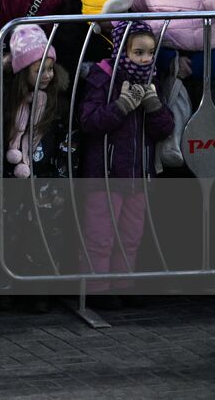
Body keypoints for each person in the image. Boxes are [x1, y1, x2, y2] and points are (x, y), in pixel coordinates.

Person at [78, 21, 173, 299]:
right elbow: (88, 121)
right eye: (138, 53)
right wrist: (120, 107)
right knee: (100, 235)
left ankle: (123, 285)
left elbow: (164, 129)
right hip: (105, 173)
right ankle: (97, 289)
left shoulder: (152, 79)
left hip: (137, 173)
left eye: (149, 53)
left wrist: (155, 108)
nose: (144, 59)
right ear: (122, 51)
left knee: (131, 235)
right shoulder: (102, 77)